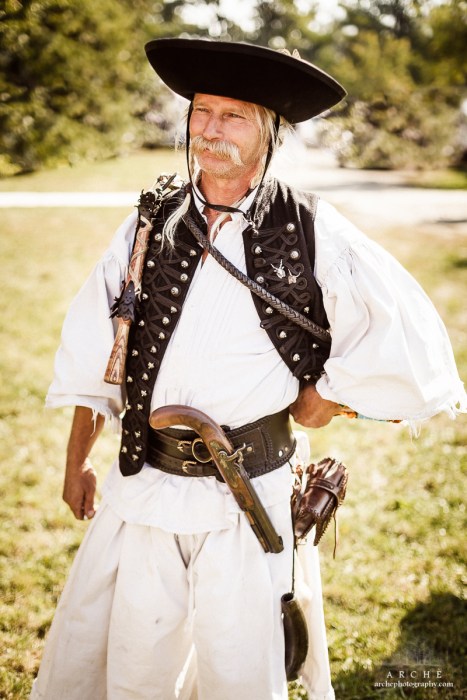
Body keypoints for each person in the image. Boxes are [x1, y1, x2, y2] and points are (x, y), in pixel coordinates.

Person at [31, 38, 465, 700]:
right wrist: (76, 463)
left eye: (233, 116)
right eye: (202, 111)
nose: (211, 129)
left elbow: (402, 336)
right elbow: (97, 356)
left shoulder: (309, 228)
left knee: (239, 675)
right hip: (144, 489)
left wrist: (327, 396)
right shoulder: (149, 224)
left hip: (249, 496)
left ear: (268, 131)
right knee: (135, 667)